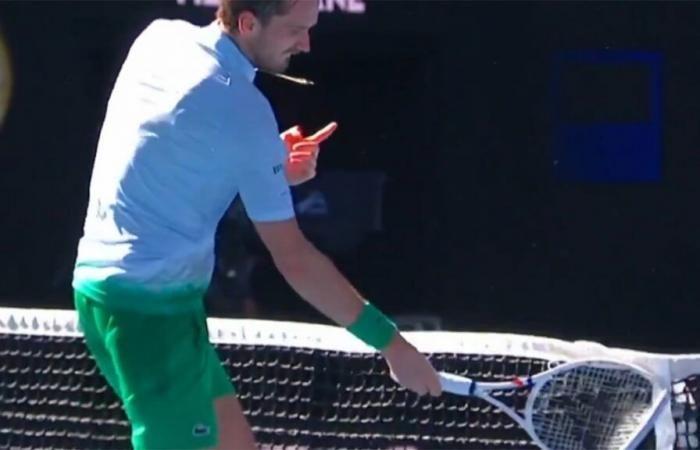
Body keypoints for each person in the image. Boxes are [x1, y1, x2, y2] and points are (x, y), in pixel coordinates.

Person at [72, 1, 442, 449]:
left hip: (104, 287)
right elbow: (295, 260)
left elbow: (163, 146)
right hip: (148, 316)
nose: (306, 44)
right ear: (248, 23)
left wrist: (267, 163)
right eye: (295, 30)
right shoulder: (242, 111)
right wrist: (392, 346)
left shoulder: (159, 38)